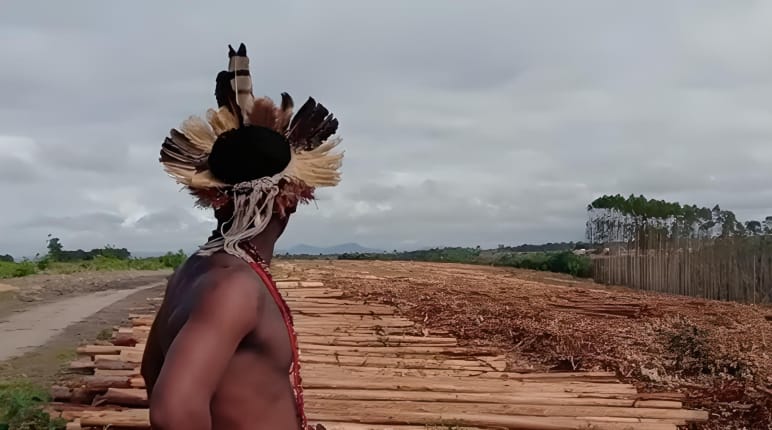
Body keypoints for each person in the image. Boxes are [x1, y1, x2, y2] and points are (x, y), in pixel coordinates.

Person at [140, 42, 343, 430]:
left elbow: (153, 371)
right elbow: (173, 411)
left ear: (213, 198)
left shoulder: (196, 269)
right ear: (293, 198)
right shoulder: (233, 287)